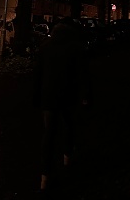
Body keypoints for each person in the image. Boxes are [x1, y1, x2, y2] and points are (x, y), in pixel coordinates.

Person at [33, 16, 91, 191]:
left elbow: (38, 76)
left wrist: (36, 97)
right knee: (69, 126)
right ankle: (68, 155)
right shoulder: (75, 48)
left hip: (49, 98)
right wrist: (85, 95)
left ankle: (45, 175)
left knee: (49, 134)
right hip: (68, 96)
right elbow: (82, 74)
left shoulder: (44, 48)